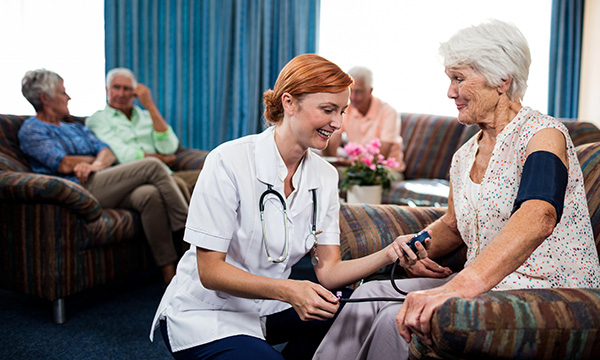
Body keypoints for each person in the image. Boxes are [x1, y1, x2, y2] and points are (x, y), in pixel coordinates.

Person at [313, 19, 600, 360]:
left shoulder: (542, 135)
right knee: (366, 298)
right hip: (491, 282)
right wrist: (419, 252)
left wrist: (460, 286)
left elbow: (539, 215)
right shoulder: (466, 154)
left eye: (459, 79)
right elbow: (452, 224)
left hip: (543, 285)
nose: (450, 92)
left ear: (501, 80)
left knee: (396, 317)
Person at [148, 54, 423, 360]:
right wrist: (290, 290)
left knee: (352, 307)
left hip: (269, 308)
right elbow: (210, 272)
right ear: (289, 103)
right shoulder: (228, 161)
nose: (338, 123)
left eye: (342, 111)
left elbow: (329, 272)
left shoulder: (325, 176)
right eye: (328, 109)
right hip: (208, 312)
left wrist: (389, 253)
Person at [18, 69, 189, 285]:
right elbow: (62, 164)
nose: (68, 97)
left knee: (149, 195)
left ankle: (170, 273)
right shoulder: (32, 130)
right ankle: (191, 240)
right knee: (153, 165)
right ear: (45, 98)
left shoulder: (74, 127)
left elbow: (106, 151)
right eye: (63, 93)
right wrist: (92, 160)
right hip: (76, 190)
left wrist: (96, 163)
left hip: (100, 181)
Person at [86, 68, 199, 201]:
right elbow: (122, 155)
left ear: (134, 93)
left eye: (127, 89)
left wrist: (150, 106)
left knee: (209, 177)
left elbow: (169, 148)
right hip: (132, 177)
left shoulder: (146, 116)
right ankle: (187, 222)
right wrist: (160, 159)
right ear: (107, 90)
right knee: (177, 184)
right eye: (116, 87)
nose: (121, 94)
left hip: (166, 174)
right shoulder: (98, 119)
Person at [323, 66, 405, 174]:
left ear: (370, 91)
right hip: (355, 167)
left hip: (385, 170)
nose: (353, 97)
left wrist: (351, 163)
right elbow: (333, 139)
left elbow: (382, 154)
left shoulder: (389, 112)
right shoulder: (346, 109)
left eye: (359, 92)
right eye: (350, 91)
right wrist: (333, 165)